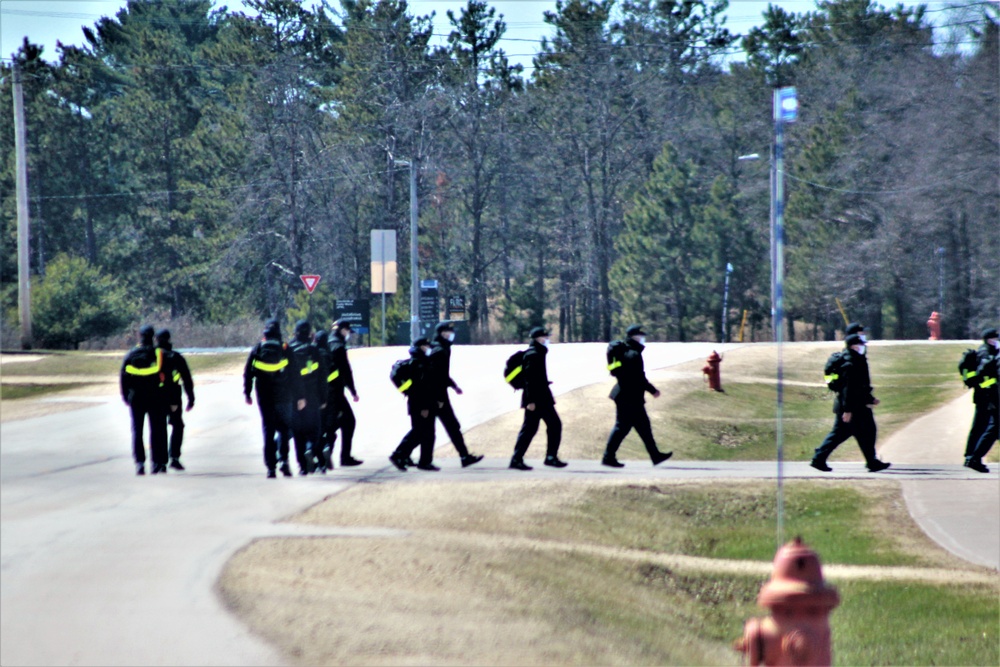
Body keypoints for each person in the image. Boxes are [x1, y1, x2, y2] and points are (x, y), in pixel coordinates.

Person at [811, 333, 891, 473]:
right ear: (854, 345)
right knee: (843, 434)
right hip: (851, 408)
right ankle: (819, 458)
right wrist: (848, 410)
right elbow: (849, 389)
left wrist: (870, 399)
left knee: (865, 433)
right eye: (861, 345)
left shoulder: (856, 359)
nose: (863, 347)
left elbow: (860, 387)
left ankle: (871, 462)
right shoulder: (850, 363)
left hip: (857, 406)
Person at [601, 325, 673, 468]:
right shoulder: (633, 354)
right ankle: (608, 457)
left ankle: (655, 455)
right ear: (634, 336)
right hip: (628, 396)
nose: (642, 338)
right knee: (622, 427)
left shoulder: (628, 351)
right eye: (640, 336)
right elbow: (638, 377)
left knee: (643, 426)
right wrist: (653, 390)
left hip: (627, 395)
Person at [243, 319, 306, 478]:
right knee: (284, 429)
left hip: (264, 397)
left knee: (268, 430)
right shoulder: (285, 349)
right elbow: (295, 374)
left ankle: (271, 468)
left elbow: (248, 372)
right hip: (284, 397)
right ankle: (284, 461)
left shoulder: (257, 348)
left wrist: (247, 393)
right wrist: (300, 396)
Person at [509, 326, 566, 471]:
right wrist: (530, 401)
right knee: (544, 427)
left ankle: (547, 457)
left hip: (541, 397)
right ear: (538, 339)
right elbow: (529, 379)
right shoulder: (534, 354)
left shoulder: (539, 353)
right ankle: (522, 459)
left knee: (537, 428)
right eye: (545, 337)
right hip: (537, 399)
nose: (547, 340)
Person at [429, 322, 484, 468]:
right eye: (449, 331)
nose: (452, 334)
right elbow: (435, 377)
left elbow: (443, 374)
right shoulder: (439, 351)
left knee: (451, 427)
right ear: (442, 333)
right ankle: (401, 454)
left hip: (439, 395)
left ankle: (465, 457)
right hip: (436, 396)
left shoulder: (443, 349)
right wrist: (439, 399)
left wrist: (454, 386)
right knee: (427, 429)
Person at [120, 325, 169, 475]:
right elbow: (164, 378)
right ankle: (156, 463)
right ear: (153, 337)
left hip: (136, 398)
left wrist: (126, 397)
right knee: (156, 430)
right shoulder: (159, 354)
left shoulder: (130, 355)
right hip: (155, 397)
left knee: (137, 431)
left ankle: (140, 463)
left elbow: (123, 378)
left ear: (139, 336)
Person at [389, 338, 439, 471]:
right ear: (421, 347)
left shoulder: (421, 361)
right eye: (427, 346)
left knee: (421, 433)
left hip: (421, 403)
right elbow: (420, 388)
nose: (429, 348)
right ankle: (400, 455)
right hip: (421, 404)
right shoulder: (418, 364)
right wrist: (424, 407)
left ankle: (412, 458)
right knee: (422, 433)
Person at [289, 320, 329, 475]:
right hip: (312, 396)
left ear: (295, 333)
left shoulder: (289, 350)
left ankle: (302, 467)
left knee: (298, 433)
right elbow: (322, 377)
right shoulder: (314, 350)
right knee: (315, 430)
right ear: (310, 334)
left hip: (294, 399)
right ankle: (310, 449)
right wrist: (324, 398)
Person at [155, 329, 194, 471]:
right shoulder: (175, 357)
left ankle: (160, 462)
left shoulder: (151, 356)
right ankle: (174, 457)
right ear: (169, 339)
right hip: (172, 398)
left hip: (155, 398)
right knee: (177, 425)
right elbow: (187, 378)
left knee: (158, 428)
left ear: (156, 339)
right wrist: (191, 398)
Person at [327, 319, 363, 468]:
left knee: (334, 423)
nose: (348, 334)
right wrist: (353, 391)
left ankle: (323, 453)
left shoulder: (326, 342)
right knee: (349, 422)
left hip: (322, 392)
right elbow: (346, 371)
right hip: (335, 392)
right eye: (348, 331)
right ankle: (344, 457)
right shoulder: (339, 347)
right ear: (342, 330)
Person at [965, 327, 998, 473]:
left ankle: (972, 456)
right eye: (995, 338)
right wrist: (989, 387)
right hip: (985, 396)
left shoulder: (991, 352)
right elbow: (982, 376)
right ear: (989, 339)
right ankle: (971, 456)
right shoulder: (985, 352)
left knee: (989, 427)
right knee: (982, 427)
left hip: (990, 395)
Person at [313, 328, 335, 472]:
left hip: (312, 397)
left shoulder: (312, 354)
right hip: (329, 396)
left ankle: (318, 460)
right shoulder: (329, 355)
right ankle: (327, 450)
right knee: (331, 431)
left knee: (316, 431)